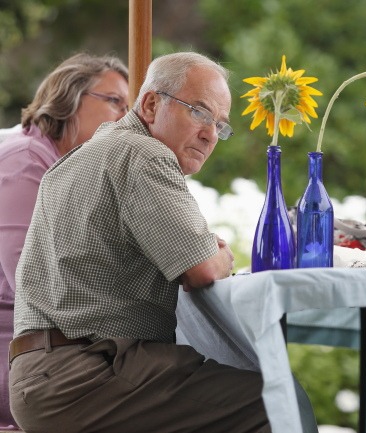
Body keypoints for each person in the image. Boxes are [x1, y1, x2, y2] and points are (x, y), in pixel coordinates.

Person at [8, 52, 270, 433]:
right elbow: (202, 270)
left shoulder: (80, 157)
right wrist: (221, 255)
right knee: (275, 402)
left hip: (41, 376)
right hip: (83, 375)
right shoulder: (144, 153)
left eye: (220, 125)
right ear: (150, 105)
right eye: (200, 112)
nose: (211, 134)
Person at [0, 52, 128, 431]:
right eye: (115, 102)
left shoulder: (63, 168)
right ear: (68, 98)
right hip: (21, 361)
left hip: (48, 353)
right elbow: (31, 280)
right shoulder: (25, 163)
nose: (126, 118)